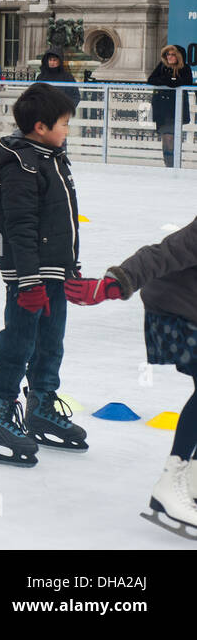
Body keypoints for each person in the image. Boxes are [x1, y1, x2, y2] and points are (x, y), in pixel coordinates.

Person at [0, 82, 86, 468]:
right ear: (41, 126)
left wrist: (71, 268)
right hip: (30, 278)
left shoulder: (51, 156)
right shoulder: (22, 163)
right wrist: (28, 281)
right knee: (18, 343)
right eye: (64, 124)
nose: (67, 130)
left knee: (51, 343)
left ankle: (41, 404)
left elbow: (64, 220)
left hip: (52, 272)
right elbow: (20, 227)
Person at [65, 215, 197, 536]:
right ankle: (171, 482)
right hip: (174, 311)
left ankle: (190, 481)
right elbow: (165, 252)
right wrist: (116, 282)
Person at [146, 44, 192, 168]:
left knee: (171, 137)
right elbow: (151, 80)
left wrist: (172, 81)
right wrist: (168, 80)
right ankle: (169, 166)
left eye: (172, 54)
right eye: (168, 54)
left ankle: (174, 166)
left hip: (176, 109)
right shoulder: (162, 66)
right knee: (166, 138)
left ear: (179, 56)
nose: (170, 57)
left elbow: (185, 82)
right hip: (162, 109)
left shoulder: (185, 68)